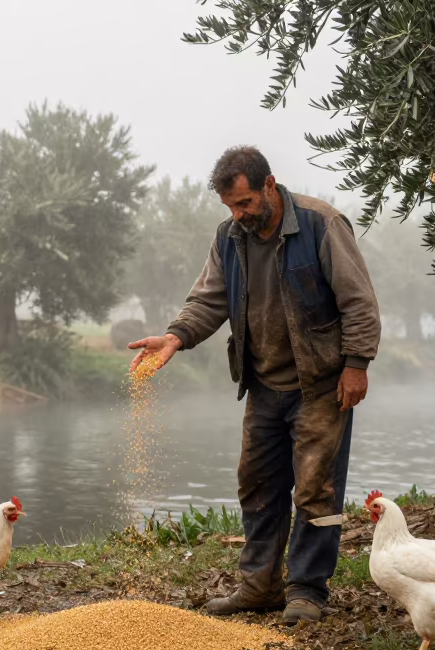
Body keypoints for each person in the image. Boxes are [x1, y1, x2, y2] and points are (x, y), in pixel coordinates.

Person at [128, 146, 381, 625]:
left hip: (321, 385)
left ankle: (307, 590)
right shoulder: (230, 237)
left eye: (243, 203)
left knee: (315, 490)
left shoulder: (321, 224)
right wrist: (175, 337)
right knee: (258, 487)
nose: (238, 215)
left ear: (268, 185)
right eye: (229, 207)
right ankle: (259, 586)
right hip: (263, 385)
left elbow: (359, 302)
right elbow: (208, 299)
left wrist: (356, 364)